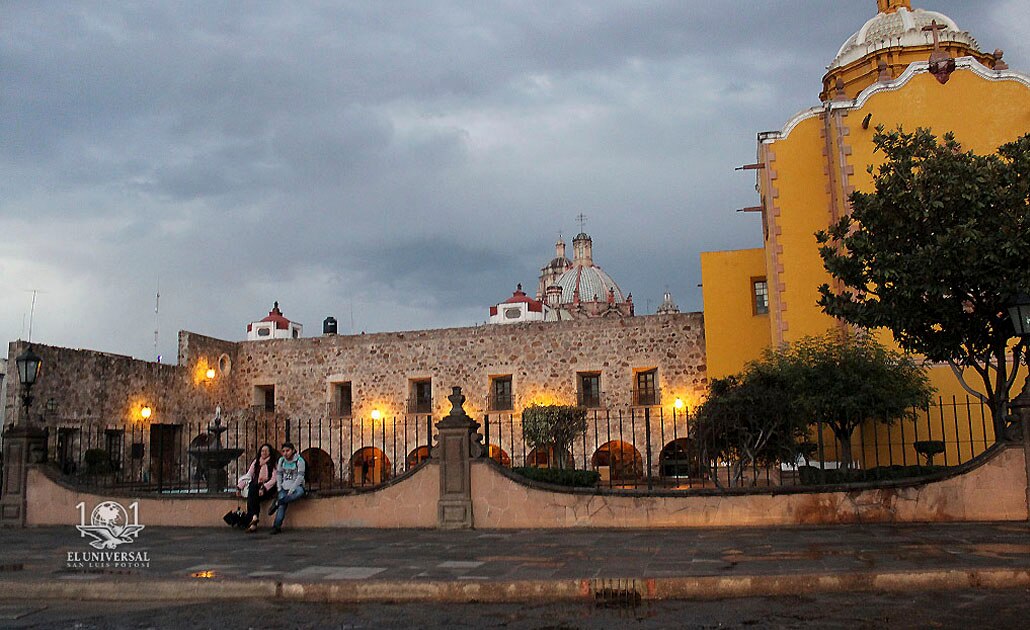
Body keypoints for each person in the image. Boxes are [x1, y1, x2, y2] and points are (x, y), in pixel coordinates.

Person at [237, 443, 277, 533]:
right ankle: (254, 518)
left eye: (266, 451)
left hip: (268, 488)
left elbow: (274, 479)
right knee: (253, 489)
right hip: (256, 487)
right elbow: (249, 475)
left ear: (270, 452)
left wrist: (264, 488)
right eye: (262, 451)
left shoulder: (273, 463)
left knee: (252, 494)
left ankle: (253, 520)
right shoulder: (256, 462)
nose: (264, 452)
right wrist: (239, 487)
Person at [268, 442, 305, 534]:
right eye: (283, 451)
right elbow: (279, 475)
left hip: (296, 486)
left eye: (287, 451)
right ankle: (276, 526)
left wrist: (292, 489)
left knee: (299, 492)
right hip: (284, 487)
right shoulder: (281, 461)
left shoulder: (299, 461)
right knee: (282, 506)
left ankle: (278, 502)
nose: (285, 453)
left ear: (292, 450)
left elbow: (300, 477)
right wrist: (279, 488)